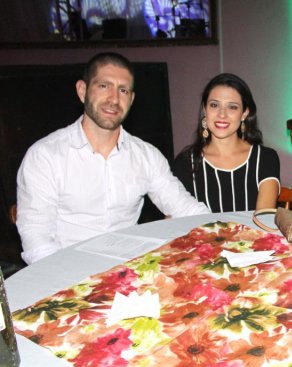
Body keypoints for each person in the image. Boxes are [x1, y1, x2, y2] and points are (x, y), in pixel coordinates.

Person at [16, 52, 210, 265]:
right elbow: (37, 240)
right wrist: (68, 278)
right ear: (82, 91)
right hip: (67, 270)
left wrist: (223, 231)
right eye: (104, 86)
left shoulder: (146, 156)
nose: (114, 99)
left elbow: (184, 208)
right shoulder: (45, 155)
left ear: (131, 99)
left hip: (130, 270)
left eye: (123, 90)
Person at [173, 73, 280, 213]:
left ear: (244, 113)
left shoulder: (265, 158)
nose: (222, 114)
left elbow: (262, 219)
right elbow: (173, 219)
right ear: (205, 110)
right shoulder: (185, 162)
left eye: (232, 107)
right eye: (214, 105)